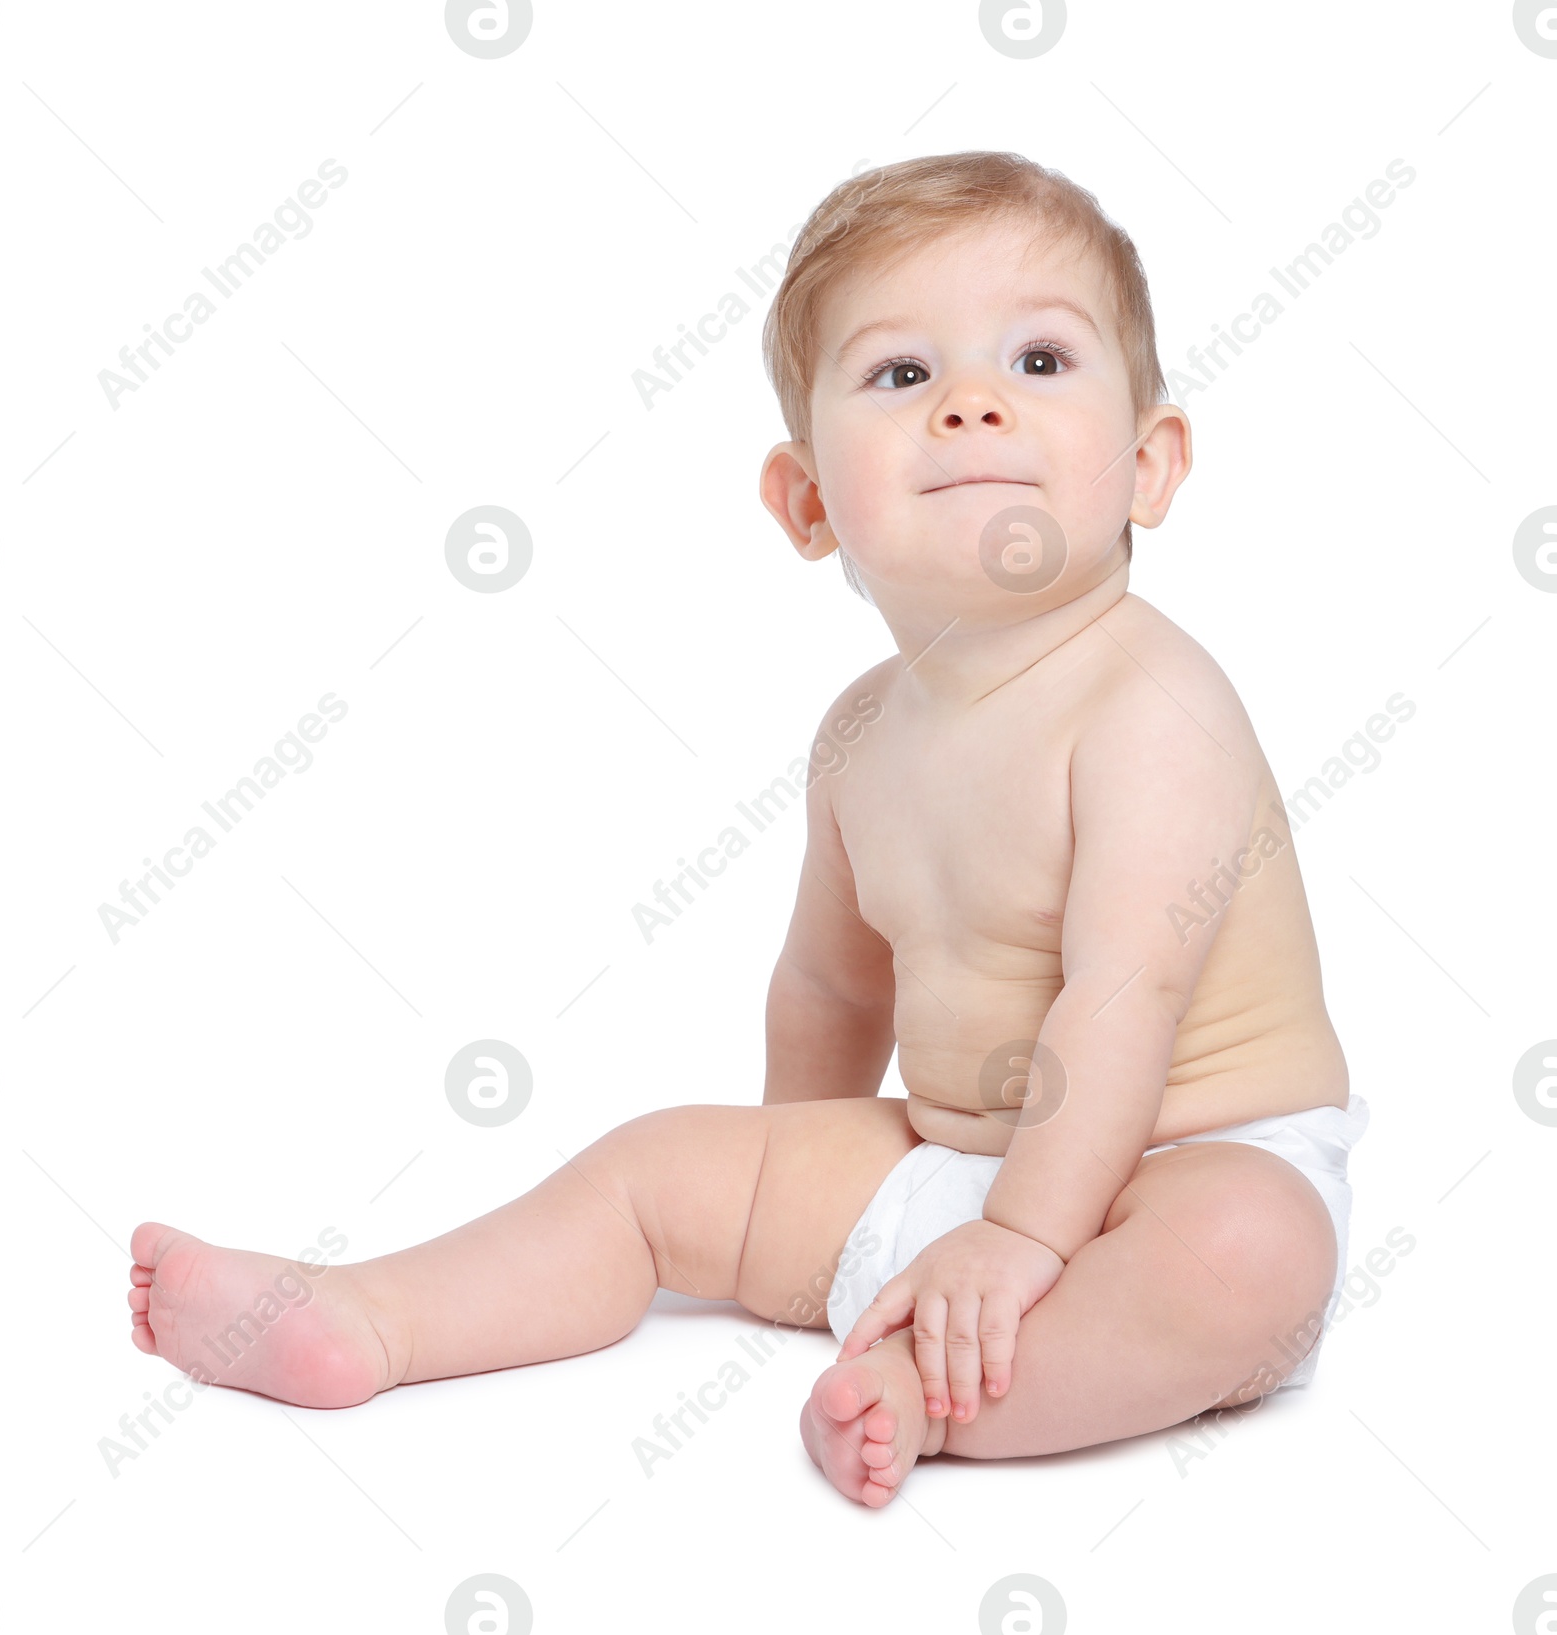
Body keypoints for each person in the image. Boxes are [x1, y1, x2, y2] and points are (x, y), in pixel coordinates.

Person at [127, 151, 1369, 1508]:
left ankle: (936, 1397)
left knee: (1251, 1256)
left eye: (1040, 360)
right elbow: (833, 983)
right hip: (962, 1164)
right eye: (904, 376)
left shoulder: (1151, 705)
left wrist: (1016, 1238)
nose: (970, 405)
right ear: (811, 503)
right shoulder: (860, 734)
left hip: (1181, 1170)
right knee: (661, 1163)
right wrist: (796, 1188)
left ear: (1148, 463)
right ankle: (373, 1317)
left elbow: (1123, 1000)